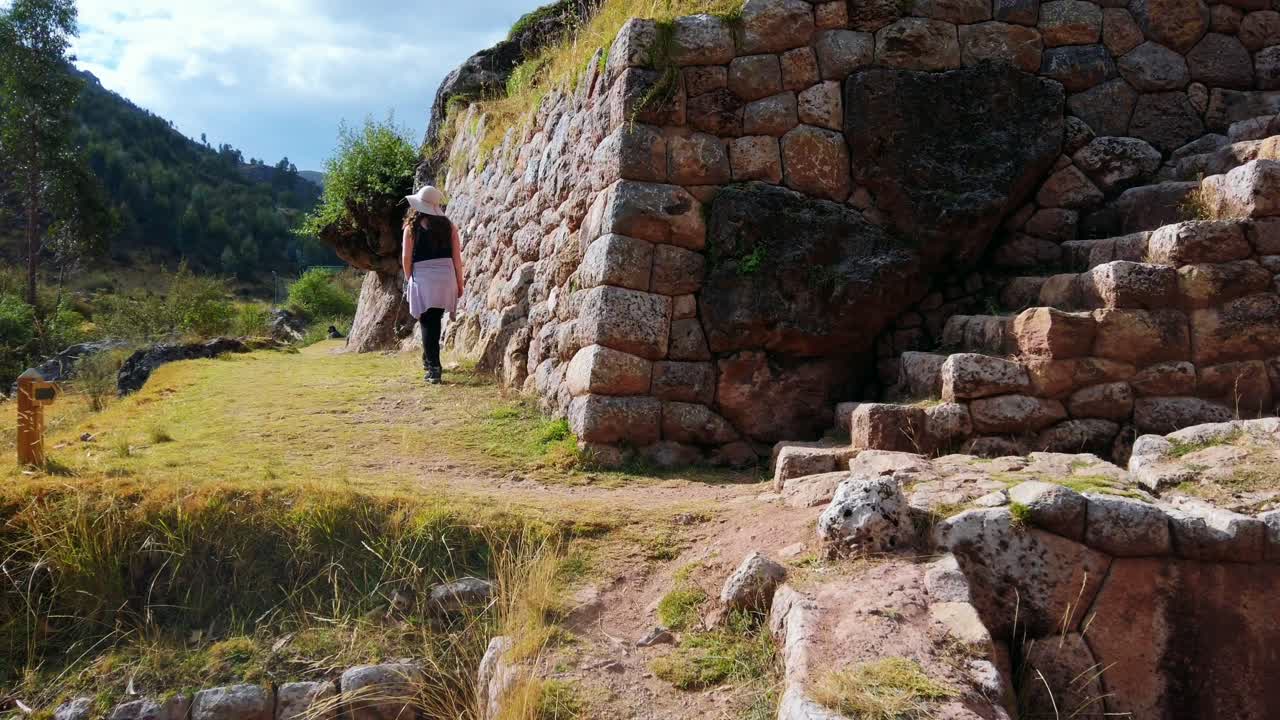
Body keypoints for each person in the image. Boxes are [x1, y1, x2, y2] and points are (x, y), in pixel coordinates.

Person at [402, 186, 464, 384]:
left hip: (423, 277)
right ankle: (429, 361)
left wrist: (409, 277)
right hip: (446, 277)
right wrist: (459, 283)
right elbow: (457, 259)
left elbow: (406, 257)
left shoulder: (411, 228)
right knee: (434, 319)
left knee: (427, 321)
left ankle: (434, 368)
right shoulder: (449, 226)